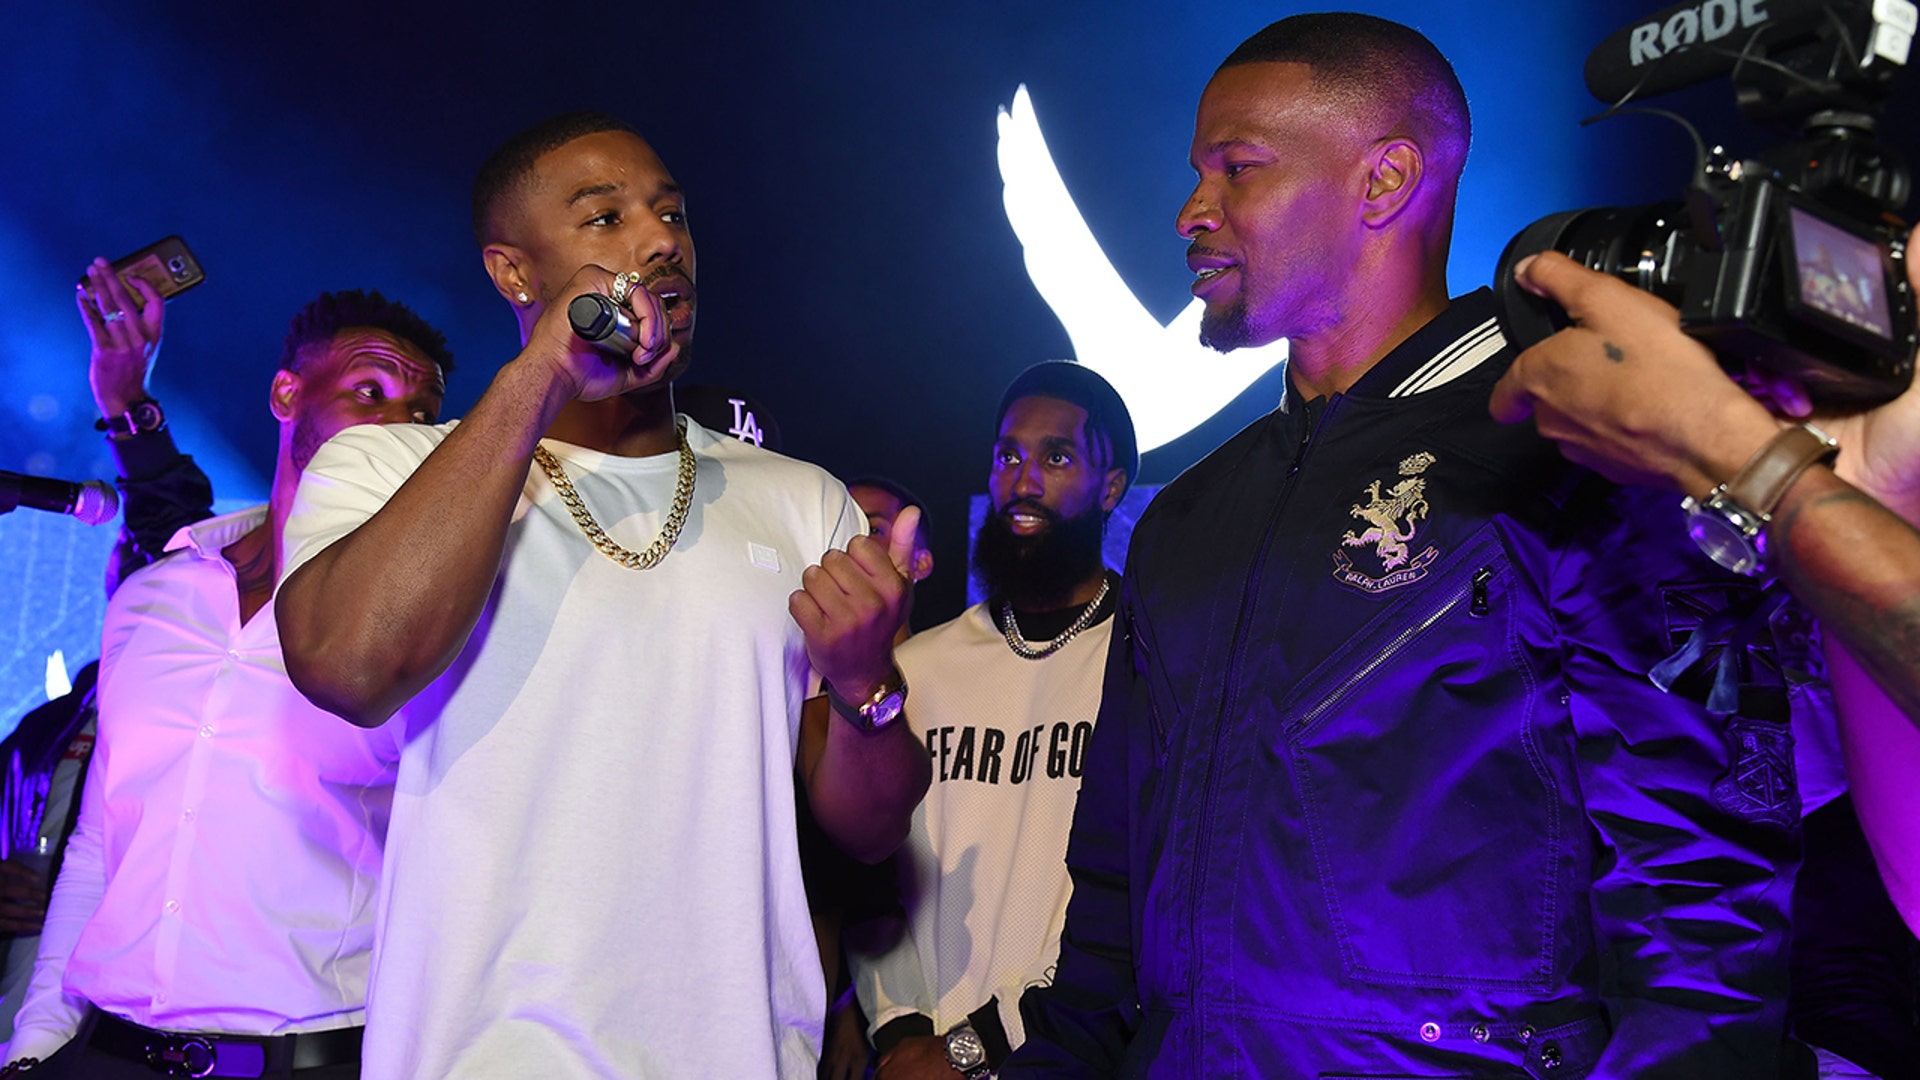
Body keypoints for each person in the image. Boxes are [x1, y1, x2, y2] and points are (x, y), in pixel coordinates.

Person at [1006, 14, 1803, 1077]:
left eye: (1237, 170)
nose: (1193, 212)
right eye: (1199, 173)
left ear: (1383, 183)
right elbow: (1109, 895)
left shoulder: (1578, 448)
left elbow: (1706, 895)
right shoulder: (1185, 519)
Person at [272, 112, 930, 1079]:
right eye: (605, 217)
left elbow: (873, 831)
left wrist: (868, 685)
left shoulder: (799, 500)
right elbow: (348, 665)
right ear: (513, 272)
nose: (660, 238)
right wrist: (543, 371)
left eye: (671, 213)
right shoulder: (388, 465)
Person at [2, 289, 451, 1078]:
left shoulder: (430, 624)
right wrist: (37, 1041)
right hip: (104, 1051)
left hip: (304, 1058)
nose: (394, 429)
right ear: (288, 394)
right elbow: (102, 842)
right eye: (369, 394)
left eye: (419, 415)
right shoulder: (156, 596)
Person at [850, 362, 1133, 1080]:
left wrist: (972, 1052)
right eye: (1008, 455)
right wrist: (901, 1032)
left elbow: (1137, 908)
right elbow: (880, 869)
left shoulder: (1148, 663)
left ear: (1112, 486)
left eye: (1057, 456)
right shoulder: (924, 668)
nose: (1023, 479)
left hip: (1069, 1057)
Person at [0, 258, 221, 1044]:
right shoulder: (39, 736)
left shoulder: (217, 715)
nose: (143, 576)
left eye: (155, 566)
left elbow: (168, 519)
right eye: (134, 567)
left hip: (138, 1036)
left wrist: (127, 401)